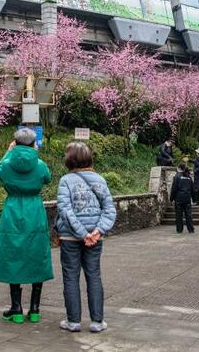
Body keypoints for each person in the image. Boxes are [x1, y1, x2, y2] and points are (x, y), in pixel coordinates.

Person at [56, 142, 117, 334]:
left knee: (71, 278)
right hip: (94, 239)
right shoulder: (100, 179)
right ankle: (97, 322)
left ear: (69, 160)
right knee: (94, 276)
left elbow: (65, 210)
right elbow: (109, 209)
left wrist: (82, 233)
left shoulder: (65, 180)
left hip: (70, 238)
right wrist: (97, 232)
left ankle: (73, 321)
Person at [0, 128, 53, 324]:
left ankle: (16, 308)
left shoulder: (8, 163)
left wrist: (9, 152)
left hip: (12, 209)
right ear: (33, 144)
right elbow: (48, 178)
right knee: (37, 254)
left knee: (13, 255)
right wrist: (35, 154)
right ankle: (35, 308)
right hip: (34, 210)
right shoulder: (40, 164)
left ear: (15, 143)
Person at [169, 165, 195, 234]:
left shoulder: (177, 177)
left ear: (179, 168)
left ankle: (179, 230)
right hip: (187, 199)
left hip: (179, 199)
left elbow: (174, 189)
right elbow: (192, 189)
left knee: (179, 215)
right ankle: (191, 229)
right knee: (188, 214)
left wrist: (171, 198)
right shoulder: (189, 177)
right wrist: (194, 199)